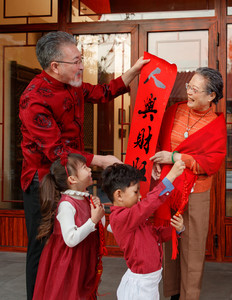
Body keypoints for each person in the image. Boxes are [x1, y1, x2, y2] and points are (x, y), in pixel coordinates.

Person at [19, 31, 148, 299]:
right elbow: (56, 151)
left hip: (73, 178)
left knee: (74, 247)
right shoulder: (33, 99)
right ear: (55, 66)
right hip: (43, 182)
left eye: (81, 59)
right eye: (76, 61)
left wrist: (134, 70)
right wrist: (100, 160)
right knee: (43, 250)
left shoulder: (73, 83)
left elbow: (103, 92)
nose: (81, 66)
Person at [150, 67, 227, 300]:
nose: (189, 92)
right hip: (168, 187)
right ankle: (172, 294)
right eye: (188, 87)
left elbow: (210, 164)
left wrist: (174, 157)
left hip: (196, 192)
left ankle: (189, 296)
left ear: (211, 95)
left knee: (192, 247)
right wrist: (155, 159)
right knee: (168, 240)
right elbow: (159, 141)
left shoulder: (216, 124)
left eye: (194, 89)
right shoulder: (175, 111)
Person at [102, 161, 186, 300]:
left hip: (148, 284)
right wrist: (171, 177)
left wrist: (176, 229)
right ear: (119, 195)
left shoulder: (133, 216)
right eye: (135, 191)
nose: (140, 196)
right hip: (139, 287)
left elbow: (156, 235)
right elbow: (148, 204)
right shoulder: (120, 217)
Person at [33, 153, 105, 299]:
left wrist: (98, 213)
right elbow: (70, 239)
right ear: (72, 179)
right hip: (69, 264)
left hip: (83, 259)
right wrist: (93, 220)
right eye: (85, 168)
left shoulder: (86, 198)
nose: (90, 170)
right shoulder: (66, 204)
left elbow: (98, 226)